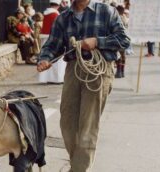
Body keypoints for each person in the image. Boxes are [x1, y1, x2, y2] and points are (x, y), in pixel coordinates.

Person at [37, 0, 130, 171]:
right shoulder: (63, 18)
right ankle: (78, 166)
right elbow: (52, 44)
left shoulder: (106, 11)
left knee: (87, 125)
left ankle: (80, 169)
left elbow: (124, 41)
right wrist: (45, 58)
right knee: (67, 123)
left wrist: (97, 42)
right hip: (74, 69)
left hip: (99, 71)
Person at [39, 0, 66, 84]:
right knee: (57, 60)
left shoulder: (45, 13)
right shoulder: (56, 14)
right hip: (54, 38)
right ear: (58, 5)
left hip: (45, 37)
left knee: (46, 58)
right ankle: (57, 78)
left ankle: (47, 78)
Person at [115, 5, 128, 78]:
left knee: (118, 55)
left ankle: (119, 72)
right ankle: (122, 72)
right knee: (123, 56)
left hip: (118, 39)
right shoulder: (125, 18)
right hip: (125, 39)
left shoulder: (117, 18)